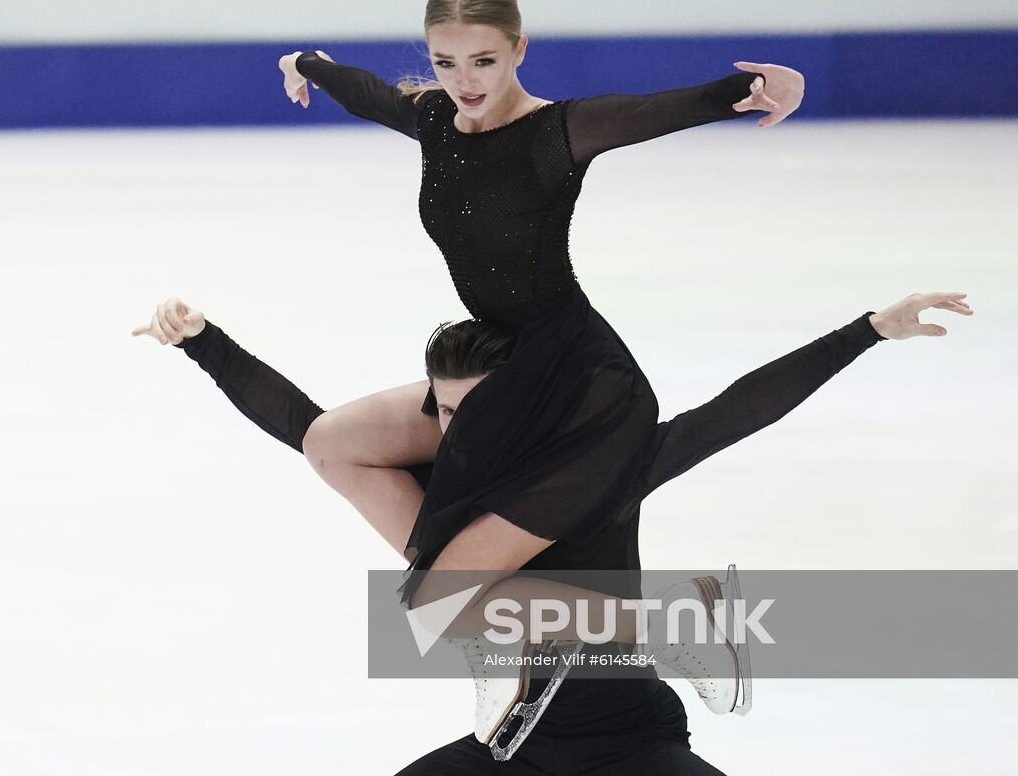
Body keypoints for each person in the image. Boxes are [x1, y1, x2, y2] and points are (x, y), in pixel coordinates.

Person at [133, 290, 971, 774]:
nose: (462, 431)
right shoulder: (440, 490)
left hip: (628, 742)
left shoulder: (602, 466)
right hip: (513, 749)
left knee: (441, 597)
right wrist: (206, 344)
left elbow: (730, 415)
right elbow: (308, 430)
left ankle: (680, 620)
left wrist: (866, 330)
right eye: (447, 411)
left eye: (481, 410)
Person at [266, 0, 812, 623]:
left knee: (443, 600)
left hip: (576, 379)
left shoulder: (556, 133)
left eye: (484, 60)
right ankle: (473, 587)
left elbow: (658, 109)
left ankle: (666, 617)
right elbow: (370, 95)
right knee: (332, 444)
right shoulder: (435, 119)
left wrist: (758, 88)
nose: (464, 81)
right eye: (445, 62)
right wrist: (307, 64)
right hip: (501, 365)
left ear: (518, 49)